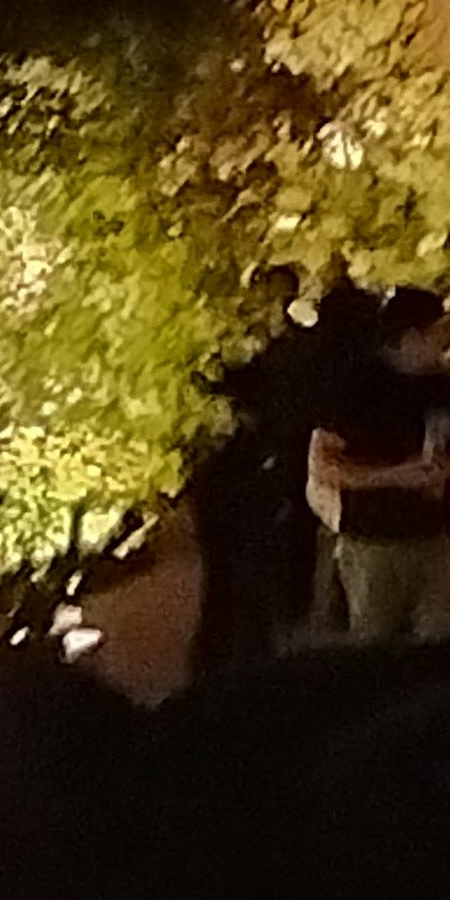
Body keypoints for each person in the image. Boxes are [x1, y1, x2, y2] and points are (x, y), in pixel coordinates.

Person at [311, 284, 450, 644]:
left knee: (439, 644)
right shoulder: (357, 387)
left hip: (435, 538)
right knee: (375, 644)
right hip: (374, 541)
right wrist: (392, 477)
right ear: (412, 334)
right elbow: (324, 466)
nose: (443, 342)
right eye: (437, 332)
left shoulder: (444, 387)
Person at [182, 265, 318, 682]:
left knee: (243, 582)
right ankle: (231, 665)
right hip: (238, 482)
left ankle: (235, 665)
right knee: (235, 580)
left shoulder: (271, 350)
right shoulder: (251, 349)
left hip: (252, 480)